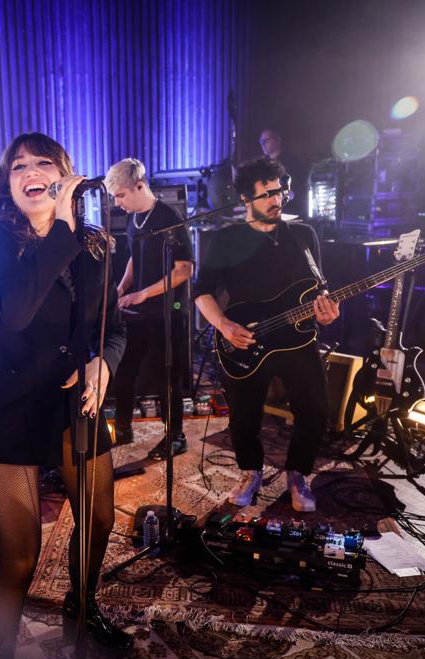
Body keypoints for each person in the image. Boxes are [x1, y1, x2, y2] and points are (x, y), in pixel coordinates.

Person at [0, 132, 131, 659]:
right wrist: (59, 228)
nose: (30, 172)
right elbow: (14, 314)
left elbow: (114, 326)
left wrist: (103, 364)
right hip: (14, 405)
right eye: (18, 167)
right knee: (20, 555)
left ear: (65, 176)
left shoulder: (97, 245)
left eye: (43, 163)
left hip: (75, 402)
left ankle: (81, 608)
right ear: (7, 184)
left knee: (99, 518)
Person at [194, 157, 339, 513]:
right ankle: (251, 472)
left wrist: (327, 310)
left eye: (280, 192)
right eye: (267, 194)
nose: (277, 200)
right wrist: (224, 325)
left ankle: (298, 474)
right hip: (246, 340)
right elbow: (202, 292)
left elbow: (319, 288)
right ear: (245, 198)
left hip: (299, 339)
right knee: (244, 418)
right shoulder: (225, 239)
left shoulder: (303, 235)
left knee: (316, 410)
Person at [105, 158, 194, 458]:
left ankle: (177, 436)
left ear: (140, 186)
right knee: (125, 369)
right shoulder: (134, 219)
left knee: (166, 377)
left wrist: (143, 294)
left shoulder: (170, 218)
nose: (117, 203)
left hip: (168, 313)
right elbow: (135, 256)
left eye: (121, 195)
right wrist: (121, 288)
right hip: (140, 312)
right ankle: (123, 429)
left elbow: (183, 270)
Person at [259, 128, 303, 214]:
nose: (263, 144)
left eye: (266, 140)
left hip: (288, 209)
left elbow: (298, 186)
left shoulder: (291, 161)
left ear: (277, 140)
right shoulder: (262, 164)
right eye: (261, 142)